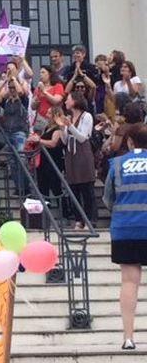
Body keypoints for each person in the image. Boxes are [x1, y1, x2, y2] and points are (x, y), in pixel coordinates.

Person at [102, 123, 147, 350]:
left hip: (125, 229)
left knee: (129, 281)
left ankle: (128, 338)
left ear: (130, 142)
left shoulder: (117, 164)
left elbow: (108, 199)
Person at [57, 92, 95, 230]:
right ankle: (78, 220)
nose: (66, 102)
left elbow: (82, 137)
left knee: (86, 189)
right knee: (74, 189)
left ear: (75, 101)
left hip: (82, 154)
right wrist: (62, 127)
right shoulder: (70, 117)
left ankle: (89, 219)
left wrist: (70, 126)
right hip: (70, 154)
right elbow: (65, 140)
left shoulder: (87, 116)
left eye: (68, 99)